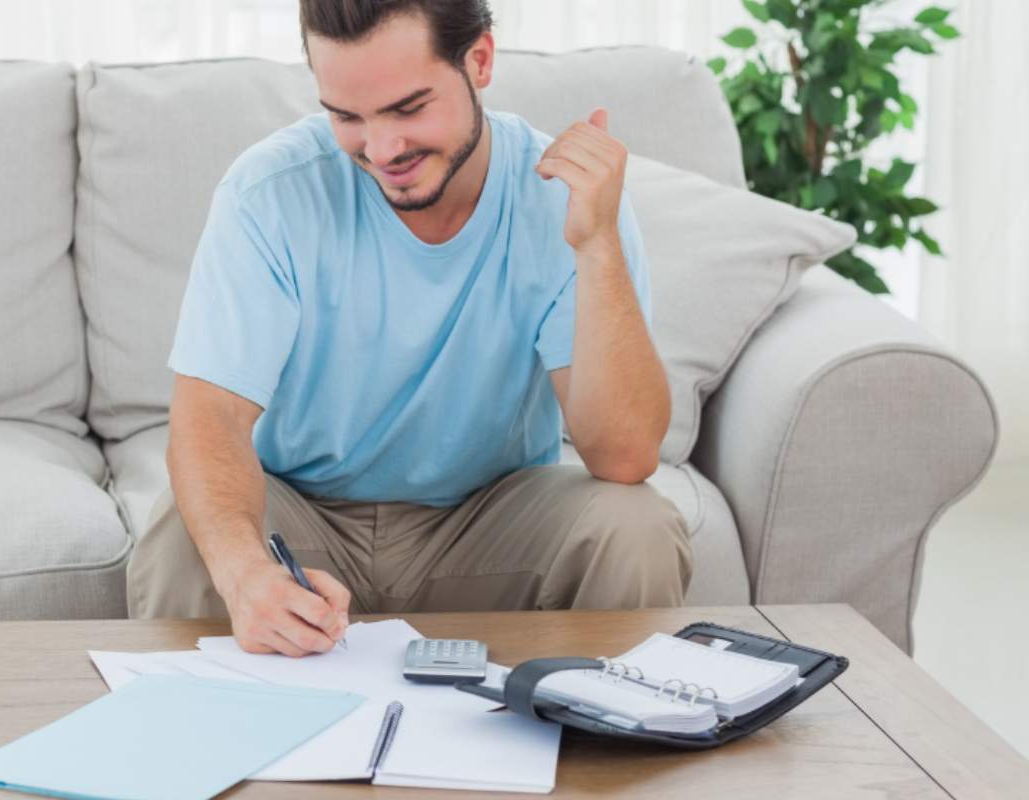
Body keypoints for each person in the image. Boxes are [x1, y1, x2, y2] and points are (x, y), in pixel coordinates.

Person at [127, 0, 691, 656]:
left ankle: (604, 750)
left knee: (636, 524)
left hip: (487, 528)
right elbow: (208, 419)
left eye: (408, 108)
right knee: (185, 531)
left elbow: (623, 456)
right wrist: (248, 575)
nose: (382, 149)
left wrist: (597, 246)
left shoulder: (564, 197)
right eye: (347, 116)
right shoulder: (270, 193)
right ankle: (206, 752)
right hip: (305, 530)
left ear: (479, 60)